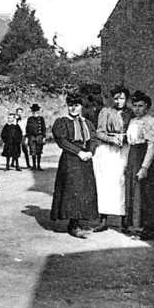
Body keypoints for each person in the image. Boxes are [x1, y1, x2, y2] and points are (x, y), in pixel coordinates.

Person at [50, 94, 99, 239]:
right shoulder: (62, 122)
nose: (73, 108)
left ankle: (79, 220)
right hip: (70, 160)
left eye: (76, 105)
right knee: (72, 190)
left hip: (85, 161)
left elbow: (93, 139)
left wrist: (90, 151)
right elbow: (62, 141)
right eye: (70, 104)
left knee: (84, 190)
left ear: (81, 106)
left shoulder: (87, 123)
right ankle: (73, 225)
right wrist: (79, 152)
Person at [123, 91, 154, 240]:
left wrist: (144, 167)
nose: (137, 109)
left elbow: (152, 146)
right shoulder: (132, 121)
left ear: (147, 107)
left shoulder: (152, 122)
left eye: (140, 106)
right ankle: (136, 226)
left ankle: (149, 228)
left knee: (147, 194)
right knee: (135, 193)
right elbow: (130, 144)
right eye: (135, 106)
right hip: (133, 157)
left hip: (144, 158)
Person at [92, 86, 132, 232]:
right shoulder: (106, 112)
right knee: (105, 184)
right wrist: (111, 139)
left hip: (124, 150)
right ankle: (103, 220)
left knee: (122, 183)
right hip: (108, 150)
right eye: (116, 98)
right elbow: (99, 133)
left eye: (121, 98)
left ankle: (124, 221)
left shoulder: (131, 113)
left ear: (126, 99)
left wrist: (125, 138)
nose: (118, 101)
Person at [26, 104, 47, 171]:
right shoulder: (30, 119)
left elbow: (43, 128)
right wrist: (27, 137)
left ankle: (38, 165)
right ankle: (34, 165)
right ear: (32, 111)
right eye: (34, 111)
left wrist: (44, 137)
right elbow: (27, 128)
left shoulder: (41, 119)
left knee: (39, 151)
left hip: (39, 136)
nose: (35, 112)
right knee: (32, 151)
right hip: (31, 136)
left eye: (36, 110)